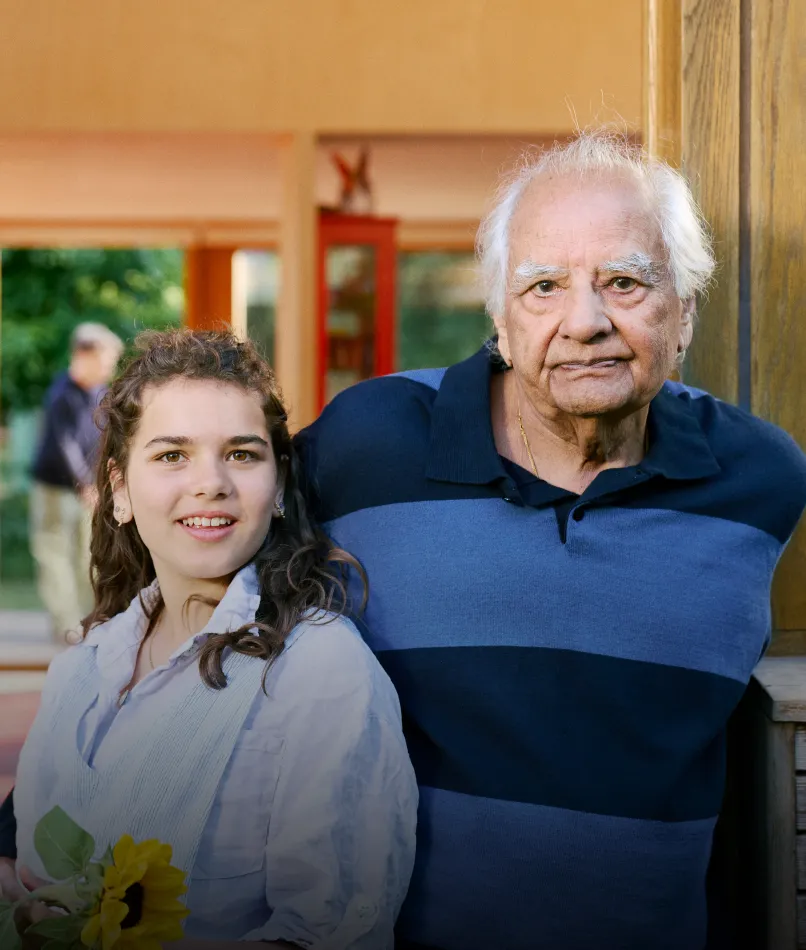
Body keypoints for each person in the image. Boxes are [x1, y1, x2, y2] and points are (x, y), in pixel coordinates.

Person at [291, 133, 806, 949]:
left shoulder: (761, 478)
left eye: (625, 282)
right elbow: (200, 589)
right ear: (498, 315)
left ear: (685, 313)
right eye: (543, 287)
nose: (586, 322)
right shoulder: (368, 442)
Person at [4, 329, 417, 948]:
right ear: (119, 488)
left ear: (278, 486)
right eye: (172, 455)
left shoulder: (318, 672)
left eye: (243, 454)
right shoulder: (82, 670)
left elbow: (336, 933)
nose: (211, 483)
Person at [30, 322, 123, 640]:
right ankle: (66, 624)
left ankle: (91, 619)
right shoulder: (61, 394)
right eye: (106, 358)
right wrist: (85, 483)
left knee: (89, 554)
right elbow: (64, 444)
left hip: (91, 490)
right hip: (56, 487)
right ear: (83, 355)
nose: (110, 366)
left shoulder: (101, 393)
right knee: (54, 554)